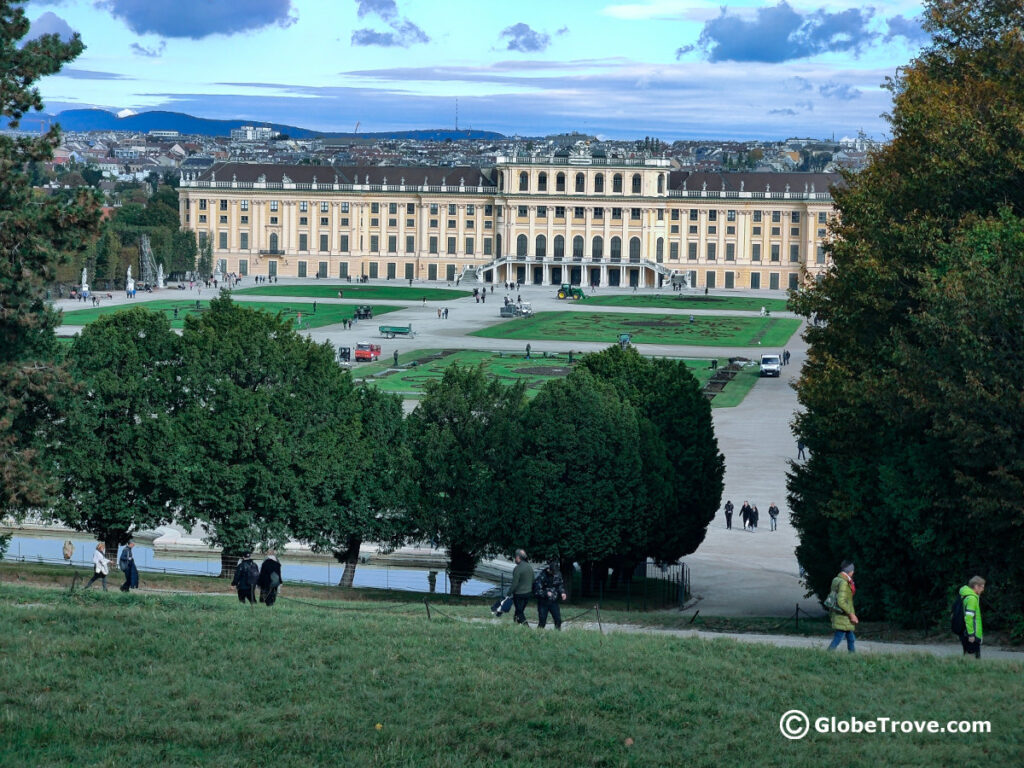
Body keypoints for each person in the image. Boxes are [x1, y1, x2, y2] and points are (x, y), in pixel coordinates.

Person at [827, 561, 858, 652]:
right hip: (843, 615)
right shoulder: (844, 583)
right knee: (839, 636)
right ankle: (829, 653)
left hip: (838, 613)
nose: (853, 572)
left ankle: (852, 655)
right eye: (852, 570)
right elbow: (841, 601)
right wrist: (851, 614)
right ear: (850, 571)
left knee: (850, 637)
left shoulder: (836, 579)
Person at [958, 576, 985, 658]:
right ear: (976, 586)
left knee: (968, 656)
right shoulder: (972, 599)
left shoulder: (966, 595)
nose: (983, 589)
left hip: (967, 632)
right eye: (982, 587)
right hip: (972, 634)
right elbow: (969, 618)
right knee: (972, 658)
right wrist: (971, 635)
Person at [535, 561, 567, 630]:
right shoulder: (542, 575)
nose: (554, 574)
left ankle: (557, 635)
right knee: (542, 622)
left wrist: (562, 592)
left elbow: (560, 584)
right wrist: (546, 593)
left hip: (554, 601)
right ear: (550, 570)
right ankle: (537, 635)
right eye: (553, 573)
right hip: (543, 602)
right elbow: (536, 590)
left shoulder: (558, 574)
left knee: (558, 620)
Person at [508, 549, 534, 625]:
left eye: (515, 557)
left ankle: (527, 628)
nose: (515, 559)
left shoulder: (517, 568)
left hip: (519, 594)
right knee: (519, 610)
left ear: (518, 557)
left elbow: (514, 583)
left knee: (519, 612)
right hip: (528, 593)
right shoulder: (529, 567)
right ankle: (515, 625)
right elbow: (533, 579)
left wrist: (509, 593)